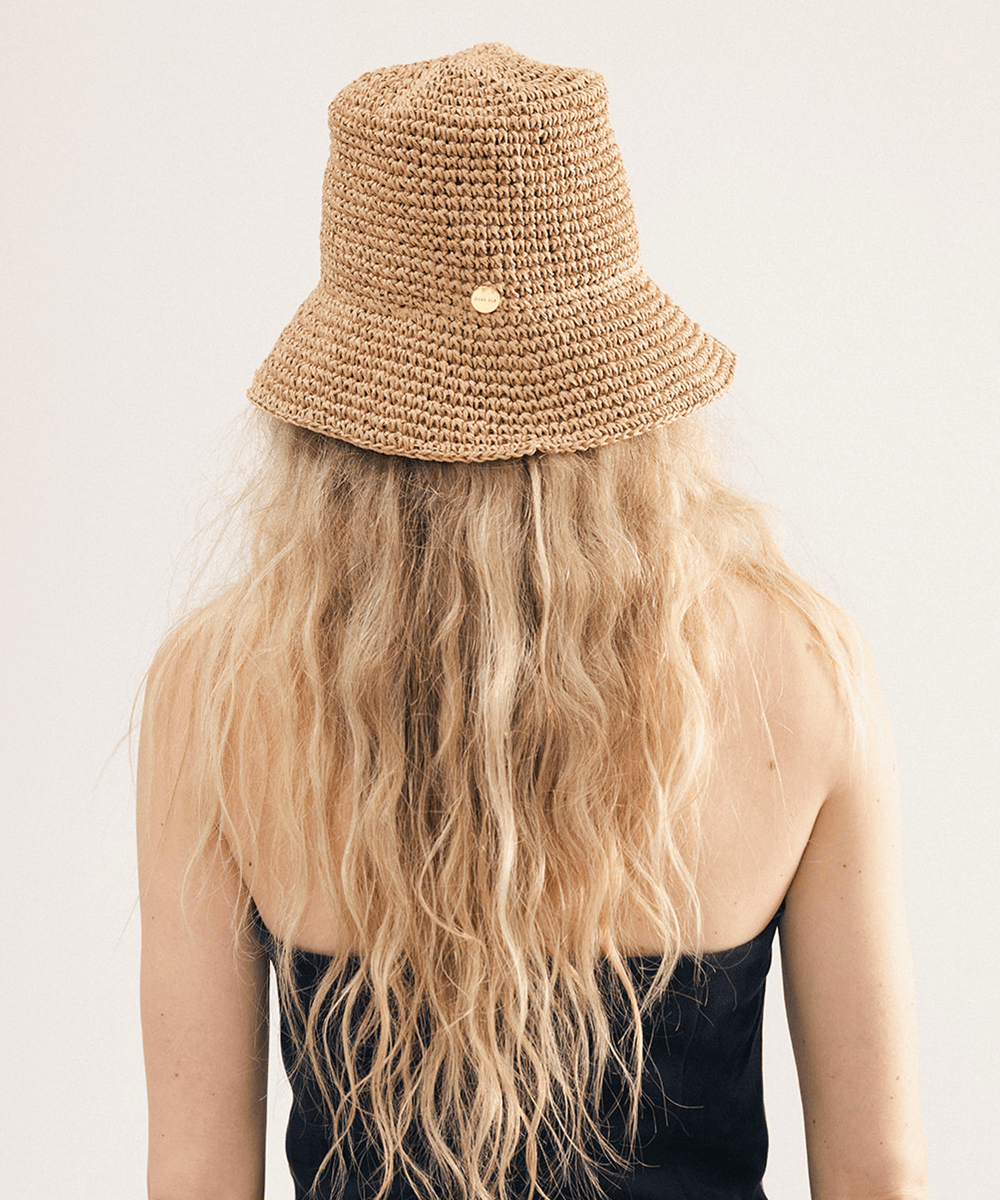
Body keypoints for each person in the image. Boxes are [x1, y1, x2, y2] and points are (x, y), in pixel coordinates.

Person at [137, 44, 928, 1200]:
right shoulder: (797, 670)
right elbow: (877, 1175)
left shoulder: (217, 692)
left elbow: (198, 1174)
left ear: (342, 400)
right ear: (623, 378)